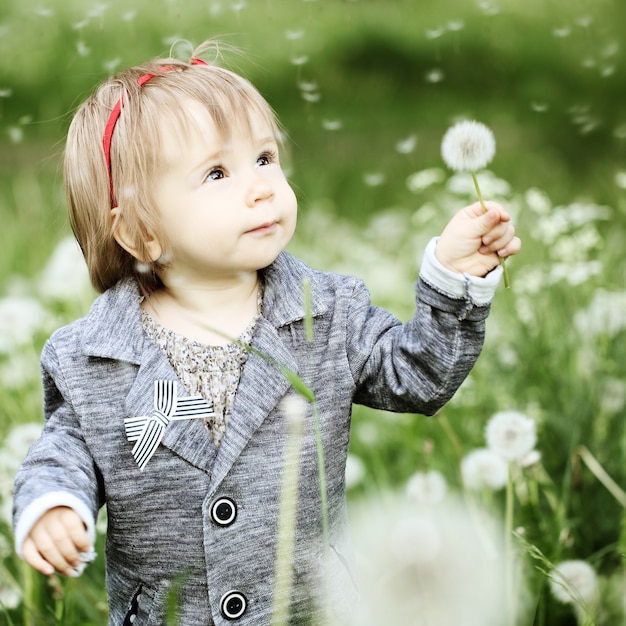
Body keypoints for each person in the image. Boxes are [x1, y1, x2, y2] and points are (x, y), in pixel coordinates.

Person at [13, 40, 521, 625]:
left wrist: (452, 279)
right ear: (141, 234)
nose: (261, 186)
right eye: (217, 172)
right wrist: (54, 505)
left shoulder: (325, 314)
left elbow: (418, 375)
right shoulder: (95, 359)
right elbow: (64, 452)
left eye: (264, 158)